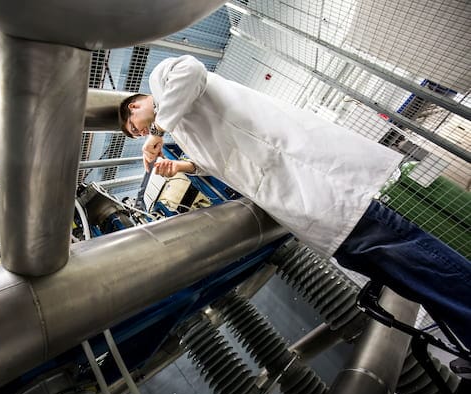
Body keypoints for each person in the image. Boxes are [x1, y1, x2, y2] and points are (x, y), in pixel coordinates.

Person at [118, 55, 471, 349]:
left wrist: (157, 133)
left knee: (412, 257)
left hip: (319, 186)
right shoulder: (180, 129)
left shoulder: (162, 79)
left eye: (134, 127)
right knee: (409, 277)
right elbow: (215, 164)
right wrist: (180, 165)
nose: (139, 135)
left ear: (135, 105)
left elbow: (192, 70)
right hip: (305, 208)